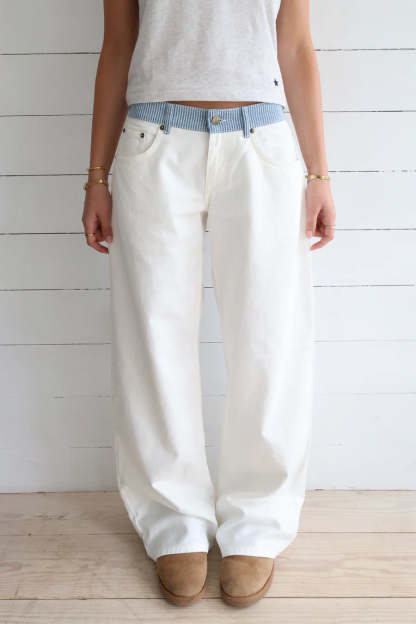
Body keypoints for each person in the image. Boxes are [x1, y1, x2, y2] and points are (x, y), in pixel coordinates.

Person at [82, 0, 336, 608]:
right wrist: (96, 176)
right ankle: (174, 521)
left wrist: (318, 174)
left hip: (262, 145)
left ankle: (258, 522)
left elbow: (295, 45)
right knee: (154, 340)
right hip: (154, 142)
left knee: (269, 340)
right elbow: (117, 45)